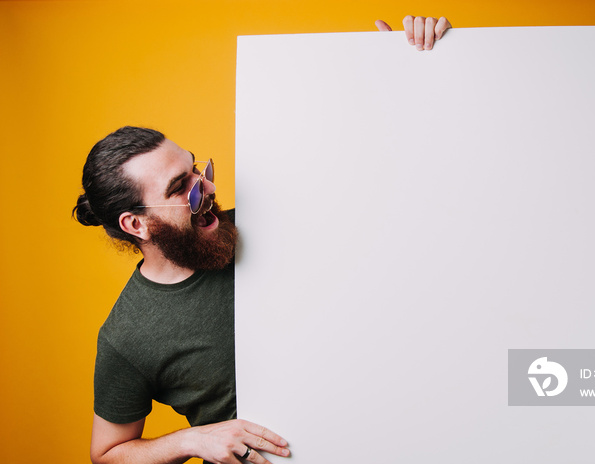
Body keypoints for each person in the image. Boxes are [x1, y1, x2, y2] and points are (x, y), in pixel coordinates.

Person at [75, 16, 451, 464]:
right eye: (182, 188)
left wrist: (392, 69)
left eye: (199, 170)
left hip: (394, 435)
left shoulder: (272, 219)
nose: (208, 189)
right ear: (137, 225)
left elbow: (372, 184)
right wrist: (192, 441)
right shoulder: (127, 336)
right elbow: (108, 453)